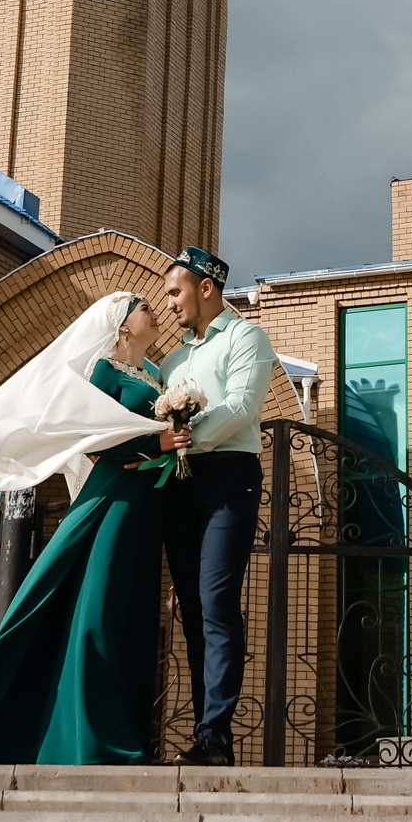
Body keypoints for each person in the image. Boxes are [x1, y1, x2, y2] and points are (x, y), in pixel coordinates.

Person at [0, 291, 188, 763]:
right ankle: (90, 738)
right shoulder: (103, 372)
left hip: (147, 505)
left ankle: (122, 731)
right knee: (98, 611)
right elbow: (91, 442)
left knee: (132, 613)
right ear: (122, 326)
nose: (155, 312)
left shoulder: (156, 376)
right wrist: (158, 442)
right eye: (144, 308)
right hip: (113, 499)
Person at [155, 245, 279, 766]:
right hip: (179, 483)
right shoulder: (172, 360)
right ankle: (205, 730)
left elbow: (243, 405)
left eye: (175, 291)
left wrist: (184, 435)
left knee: (217, 600)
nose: (168, 304)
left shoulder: (247, 336)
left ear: (206, 287)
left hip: (229, 476)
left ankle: (215, 736)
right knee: (191, 607)